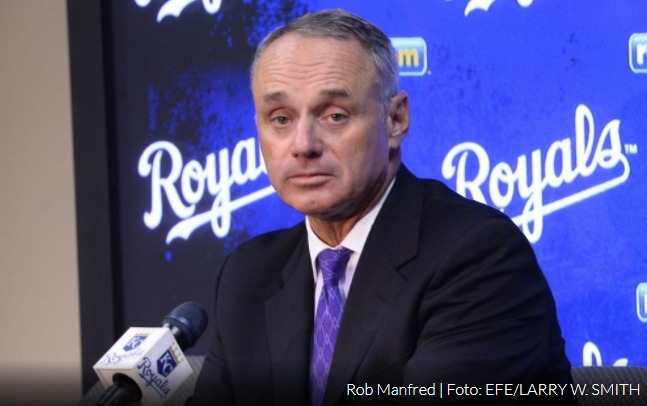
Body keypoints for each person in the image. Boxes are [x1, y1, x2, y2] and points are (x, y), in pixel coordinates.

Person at [187, 9, 575, 406]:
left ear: (396, 119)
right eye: (281, 118)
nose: (303, 145)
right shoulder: (249, 275)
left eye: (335, 116)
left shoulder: (479, 256)